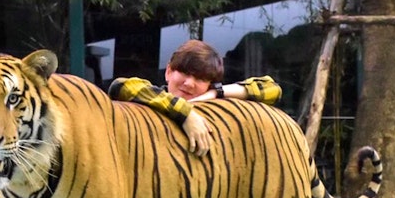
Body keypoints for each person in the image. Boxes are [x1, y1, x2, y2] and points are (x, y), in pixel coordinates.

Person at [108, 39, 281, 156]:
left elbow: (272, 89)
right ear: (168, 71)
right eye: (184, 73)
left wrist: (216, 92)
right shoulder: (153, 97)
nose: (189, 83)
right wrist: (185, 113)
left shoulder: (215, 103)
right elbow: (121, 86)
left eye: (200, 78)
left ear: (209, 83)